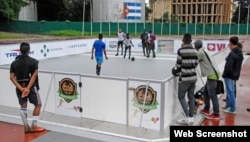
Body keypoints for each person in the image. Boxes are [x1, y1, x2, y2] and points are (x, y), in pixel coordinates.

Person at [10, 42, 45, 133]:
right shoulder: (34, 62)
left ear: (20, 51)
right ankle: (34, 125)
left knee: (23, 106)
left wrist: (21, 88)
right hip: (31, 87)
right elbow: (34, 76)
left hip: (19, 87)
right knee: (38, 104)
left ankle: (26, 127)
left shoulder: (14, 63)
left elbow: (12, 77)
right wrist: (28, 88)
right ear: (29, 51)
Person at [194, 40, 221, 120]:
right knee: (205, 92)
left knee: (213, 95)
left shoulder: (200, 53)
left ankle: (216, 114)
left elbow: (194, 62)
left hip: (212, 76)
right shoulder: (204, 50)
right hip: (213, 74)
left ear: (196, 46)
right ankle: (206, 108)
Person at [176, 33, 198, 125]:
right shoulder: (195, 51)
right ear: (191, 41)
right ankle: (191, 116)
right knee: (191, 96)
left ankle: (187, 117)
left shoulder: (180, 51)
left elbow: (178, 65)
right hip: (193, 77)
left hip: (185, 78)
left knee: (181, 96)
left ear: (183, 41)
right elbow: (196, 64)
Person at [222, 36, 243, 114]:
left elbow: (229, 66)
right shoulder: (239, 52)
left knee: (230, 91)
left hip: (230, 75)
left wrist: (225, 74)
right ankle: (228, 105)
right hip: (235, 74)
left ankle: (232, 108)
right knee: (230, 91)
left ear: (231, 43)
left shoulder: (233, 53)